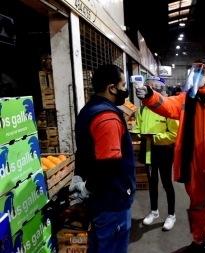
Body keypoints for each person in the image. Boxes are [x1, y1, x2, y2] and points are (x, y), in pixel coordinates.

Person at [135, 59, 205, 252]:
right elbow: (167, 105)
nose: (194, 74)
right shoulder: (187, 99)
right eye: (194, 70)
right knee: (197, 206)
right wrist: (149, 96)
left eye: (199, 71)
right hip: (194, 165)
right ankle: (199, 241)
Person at [69, 64, 136, 253]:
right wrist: (87, 189)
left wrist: (79, 178)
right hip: (111, 201)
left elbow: (83, 151)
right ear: (112, 88)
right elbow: (109, 165)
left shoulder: (89, 110)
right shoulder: (108, 117)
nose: (125, 90)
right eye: (123, 85)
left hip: (101, 201)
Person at [132, 76, 179, 231]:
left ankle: (171, 214)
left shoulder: (168, 109)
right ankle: (154, 211)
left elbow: (175, 133)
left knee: (166, 183)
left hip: (164, 151)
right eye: (148, 86)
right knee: (152, 183)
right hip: (148, 151)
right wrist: (136, 134)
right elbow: (138, 128)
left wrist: (155, 138)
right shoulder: (142, 110)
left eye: (153, 87)